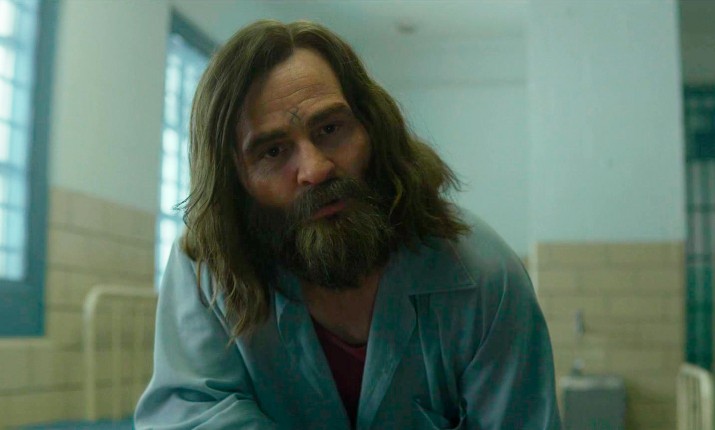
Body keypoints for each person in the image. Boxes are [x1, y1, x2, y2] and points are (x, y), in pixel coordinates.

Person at [134, 20, 561, 430]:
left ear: (373, 126)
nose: (315, 169)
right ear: (234, 180)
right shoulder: (209, 268)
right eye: (273, 152)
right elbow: (189, 413)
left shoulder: (483, 276)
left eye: (330, 128)